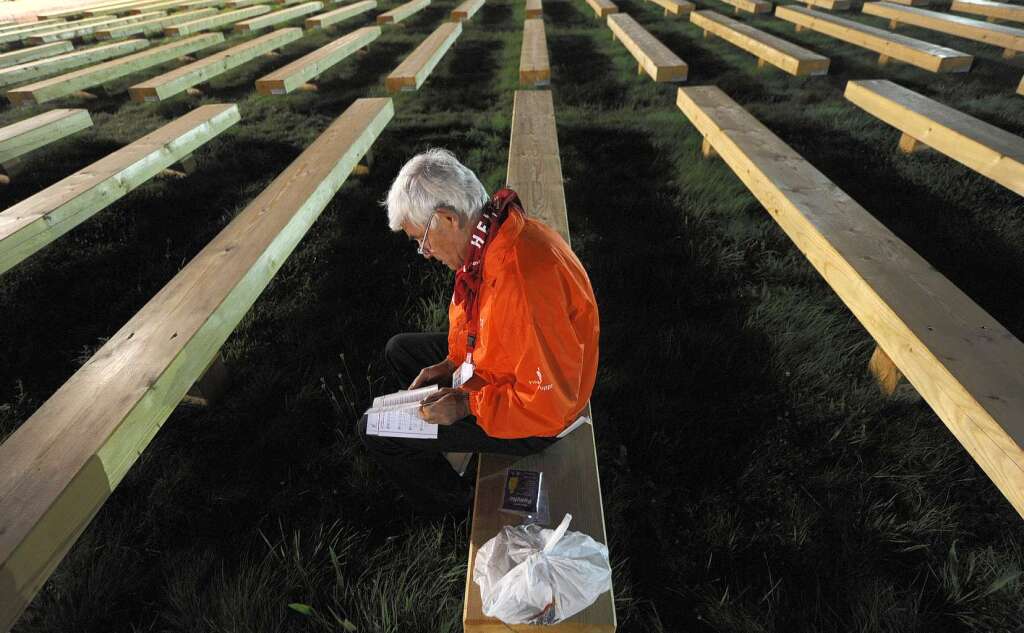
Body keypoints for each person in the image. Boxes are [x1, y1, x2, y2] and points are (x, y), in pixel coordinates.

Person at [356, 148, 600, 514]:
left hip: (536, 418)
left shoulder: (521, 284)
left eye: (421, 240)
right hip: (507, 371)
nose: (423, 252)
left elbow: (547, 406)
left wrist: (467, 403)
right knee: (400, 350)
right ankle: (450, 453)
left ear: (447, 218)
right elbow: (484, 324)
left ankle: (456, 506)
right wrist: (452, 361)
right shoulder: (492, 236)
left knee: (373, 431)